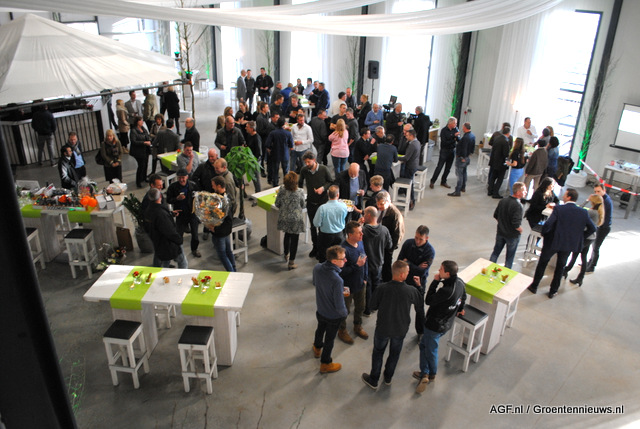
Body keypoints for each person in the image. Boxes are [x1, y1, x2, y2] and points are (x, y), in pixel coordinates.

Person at [361, 260, 425, 390]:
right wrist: (419, 287)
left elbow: (372, 306)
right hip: (400, 329)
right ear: (402, 275)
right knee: (395, 353)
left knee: (378, 352)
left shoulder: (382, 288)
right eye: (407, 272)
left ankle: (374, 379)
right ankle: (388, 377)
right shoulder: (410, 290)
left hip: (383, 328)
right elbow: (419, 304)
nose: (408, 273)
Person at [527, 188, 597, 299]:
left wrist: (544, 234)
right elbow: (592, 228)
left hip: (553, 241)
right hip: (568, 244)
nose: (563, 196)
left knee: (543, 263)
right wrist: (580, 237)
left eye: (565, 195)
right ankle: (553, 291)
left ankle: (534, 286)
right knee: (560, 267)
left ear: (569, 197)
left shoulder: (559, 209)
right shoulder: (583, 212)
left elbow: (548, 224)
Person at [414, 260, 466, 393]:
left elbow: (429, 300)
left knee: (430, 349)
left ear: (447, 274)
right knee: (425, 345)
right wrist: (460, 308)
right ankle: (426, 372)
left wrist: (435, 281)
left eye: (441, 269)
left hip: (434, 325)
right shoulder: (460, 282)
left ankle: (428, 374)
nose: (439, 270)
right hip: (447, 322)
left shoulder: (446, 291)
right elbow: (463, 297)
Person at [312, 245, 349, 374]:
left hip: (320, 309)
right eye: (343, 259)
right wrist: (344, 314)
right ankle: (325, 363)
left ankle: (317, 348)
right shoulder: (337, 280)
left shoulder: (317, 268)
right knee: (329, 339)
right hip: (333, 316)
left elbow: (316, 283)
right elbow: (339, 305)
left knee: (320, 329)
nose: (345, 260)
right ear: (334, 261)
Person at [337, 221, 369, 345]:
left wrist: (365, 277)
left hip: (360, 283)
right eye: (359, 232)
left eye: (361, 232)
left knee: (360, 307)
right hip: (347, 287)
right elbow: (340, 271)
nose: (362, 234)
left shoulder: (360, 243)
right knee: (345, 310)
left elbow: (364, 260)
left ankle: (357, 326)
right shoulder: (343, 250)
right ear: (350, 235)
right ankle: (342, 330)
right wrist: (356, 266)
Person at [299, 151, 333, 258]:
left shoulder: (323, 169)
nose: (307, 164)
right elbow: (300, 183)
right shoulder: (304, 170)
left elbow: (331, 181)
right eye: (305, 162)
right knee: (313, 226)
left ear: (314, 160)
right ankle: (315, 247)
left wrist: (323, 188)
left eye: (308, 162)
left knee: (322, 227)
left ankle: (321, 249)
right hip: (311, 203)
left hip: (323, 204)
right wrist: (300, 194)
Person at [564, 194, 604, 286]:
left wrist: (586, 201)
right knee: (583, 256)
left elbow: (579, 209)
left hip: (586, 237)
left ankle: (565, 270)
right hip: (591, 237)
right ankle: (580, 277)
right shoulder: (598, 212)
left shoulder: (591, 212)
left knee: (575, 254)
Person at [360, 206, 392, 316]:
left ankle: (367, 309)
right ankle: (375, 305)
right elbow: (390, 245)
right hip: (378, 263)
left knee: (368, 286)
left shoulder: (363, 231)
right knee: (377, 284)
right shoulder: (384, 230)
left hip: (366, 264)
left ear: (369, 215)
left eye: (364, 214)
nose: (363, 216)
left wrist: (359, 225)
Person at [145, 188, 188, 269]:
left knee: (165, 262)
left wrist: (170, 214)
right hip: (168, 244)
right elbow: (169, 231)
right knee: (182, 262)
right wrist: (179, 240)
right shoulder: (161, 214)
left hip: (158, 242)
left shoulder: (149, 210)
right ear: (160, 197)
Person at [489, 182, 527, 269]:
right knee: (509, 257)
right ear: (518, 192)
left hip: (500, 232)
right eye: (524, 190)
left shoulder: (503, 201)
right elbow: (516, 224)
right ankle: (506, 274)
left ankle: (489, 269)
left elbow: (496, 215)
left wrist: (502, 223)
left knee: (495, 252)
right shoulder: (518, 206)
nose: (526, 192)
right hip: (512, 235)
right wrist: (520, 230)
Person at [167, 168, 201, 258]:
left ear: (187, 177)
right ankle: (178, 252)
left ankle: (194, 249)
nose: (181, 180)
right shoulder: (173, 187)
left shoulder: (193, 186)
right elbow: (168, 200)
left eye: (183, 177)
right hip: (180, 214)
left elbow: (199, 197)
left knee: (195, 235)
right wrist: (176, 198)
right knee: (179, 235)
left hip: (192, 213)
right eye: (179, 178)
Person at [275, 172, 306, 270]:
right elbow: (303, 205)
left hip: (284, 217)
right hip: (295, 219)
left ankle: (286, 254)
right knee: (294, 240)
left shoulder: (281, 189)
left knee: (287, 235)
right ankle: (291, 262)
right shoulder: (300, 192)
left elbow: (277, 204)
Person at [313, 185, 348, 263]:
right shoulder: (343, 206)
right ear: (338, 195)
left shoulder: (322, 208)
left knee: (324, 257)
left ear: (328, 194)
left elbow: (316, 223)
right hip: (339, 235)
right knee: (338, 257)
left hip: (325, 236)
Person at [376, 191, 405, 282]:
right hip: (378, 242)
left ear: (389, 201)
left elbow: (398, 234)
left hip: (387, 246)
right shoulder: (380, 209)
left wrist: (390, 248)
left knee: (386, 266)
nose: (379, 206)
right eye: (378, 204)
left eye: (381, 204)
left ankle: (386, 282)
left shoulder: (395, 215)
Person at [210, 176, 237, 272]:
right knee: (228, 251)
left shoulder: (222, 201)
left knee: (222, 254)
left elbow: (223, 219)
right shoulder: (227, 197)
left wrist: (214, 229)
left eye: (213, 185)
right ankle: (234, 270)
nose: (212, 187)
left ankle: (231, 272)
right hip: (225, 230)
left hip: (220, 231)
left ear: (218, 186)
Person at [398, 225, 435, 294]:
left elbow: (421, 272)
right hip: (404, 279)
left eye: (421, 239)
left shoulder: (430, 252)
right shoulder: (408, 243)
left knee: (418, 299)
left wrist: (408, 263)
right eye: (416, 238)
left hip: (418, 282)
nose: (417, 241)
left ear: (427, 238)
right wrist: (417, 267)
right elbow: (399, 263)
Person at [586, 183, 613, 273]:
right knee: (594, 246)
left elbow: (601, 216)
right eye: (595, 191)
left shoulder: (605, 201)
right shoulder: (600, 200)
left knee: (596, 247)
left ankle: (592, 266)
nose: (597, 193)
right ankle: (589, 262)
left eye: (599, 191)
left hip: (603, 228)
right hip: (600, 226)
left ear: (604, 191)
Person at [430, 117, 459, 189]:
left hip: (452, 151)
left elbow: (458, 139)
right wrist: (453, 137)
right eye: (455, 123)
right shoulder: (444, 131)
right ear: (450, 123)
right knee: (439, 167)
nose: (456, 125)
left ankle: (443, 181)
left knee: (448, 168)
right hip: (444, 151)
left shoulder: (456, 129)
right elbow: (444, 143)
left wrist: (455, 137)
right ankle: (432, 181)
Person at [265, 117, 294, 186]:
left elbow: (267, 144)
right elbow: (291, 145)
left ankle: (275, 184)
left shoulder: (273, 133)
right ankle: (286, 184)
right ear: (284, 124)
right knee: (286, 170)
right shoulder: (288, 133)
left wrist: (271, 149)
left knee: (275, 170)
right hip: (285, 154)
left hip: (275, 154)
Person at [449, 122, 475, 197]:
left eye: (463, 127)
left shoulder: (466, 137)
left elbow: (464, 148)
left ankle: (457, 191)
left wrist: (463, 157)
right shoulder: (472, 135)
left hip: (462, 158)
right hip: (467, 158)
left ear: (465, 128)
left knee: (459, 175)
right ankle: (463, 187)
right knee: (464, 172)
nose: (462, 128)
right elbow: (472, 148)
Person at [398, 127, 420, 209]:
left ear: (411, 136)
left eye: (407, 136)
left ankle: (411, 200)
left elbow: (406, 158)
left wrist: (396, 157)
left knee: (409, 185)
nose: (406, 137)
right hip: (414, 165)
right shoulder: (417, 142)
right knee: (409, 183)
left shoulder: (412, 145)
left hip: (410, 166)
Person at [487, 125, 511, 199]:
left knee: (493, 177)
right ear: (508, 133)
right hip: (501, 163)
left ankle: (490, 191)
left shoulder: (497, 138)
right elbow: (505, 154)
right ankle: (495, 193)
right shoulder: (505, 141)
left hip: (494, 161)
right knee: (500, 178)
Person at [129, 116, 152, 188]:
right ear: (137, 122)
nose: (142, 122)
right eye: (141, 120)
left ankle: (144, 177)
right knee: (141, 165)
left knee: (145, 164)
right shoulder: (133, 130)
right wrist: (144, 142)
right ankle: (138, 181)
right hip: (138, 151)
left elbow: (147, 135)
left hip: (145, 150)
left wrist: (149, 140)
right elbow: (134, 141)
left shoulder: (143, 129)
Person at [244, 121, 262, 193]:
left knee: (256, 179)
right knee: (253, 178)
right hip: (250, 160)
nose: (245, 128)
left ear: (252, 128)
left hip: (255, 161)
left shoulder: (257, 138)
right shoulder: (249, 135)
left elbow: (259, 152)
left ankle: (258, 193)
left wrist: (254, 161)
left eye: (247, 127)